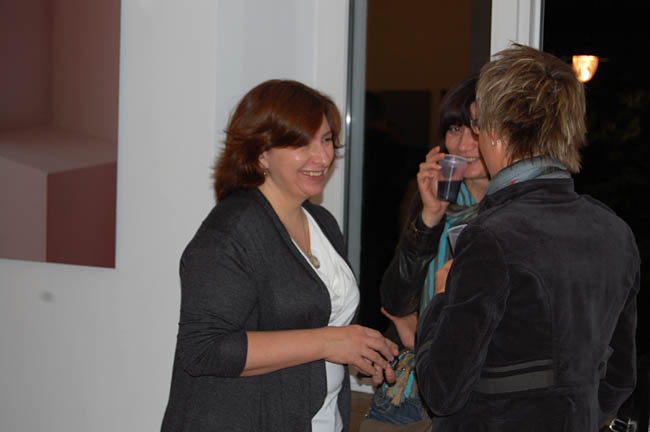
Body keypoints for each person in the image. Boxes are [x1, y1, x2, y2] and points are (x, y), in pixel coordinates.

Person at [415, 44, 640, 431]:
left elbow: (440, 390)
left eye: (479, 126)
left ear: (497, 134)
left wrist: (439, 300)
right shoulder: (615, 231)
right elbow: (619, 379)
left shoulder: (491, 237)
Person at [161, 79, 398, 432]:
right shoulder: (231, 233)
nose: (322, 157)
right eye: (301, 143)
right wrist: (328, 342)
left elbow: (319, 318)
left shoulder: (321, 222)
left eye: (326, 139)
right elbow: (204, 349)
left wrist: (357, 347)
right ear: (261, 153)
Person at [362, 77, 490, 430]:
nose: (463, 144)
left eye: (476, 130)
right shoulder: (435, 199)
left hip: (474, 395)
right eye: (454, 129)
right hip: (409, 393)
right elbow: (394, 299)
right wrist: (430, 216)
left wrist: (422, 335)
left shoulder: (512, 215)